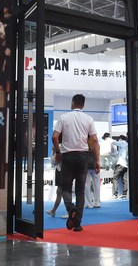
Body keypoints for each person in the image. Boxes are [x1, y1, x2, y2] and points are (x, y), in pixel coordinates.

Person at [52, 94, 99, 233]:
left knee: (65, 188)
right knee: (80, 191)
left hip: (67, 157)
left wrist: (58, 152)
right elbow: (95, 140)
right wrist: (97, 160)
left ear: (72, 103)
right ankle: (77, 224)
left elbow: (54, 136)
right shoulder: (89, 119)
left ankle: (70, 207)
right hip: (83, 157)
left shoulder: (64, 117)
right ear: (83, 105)